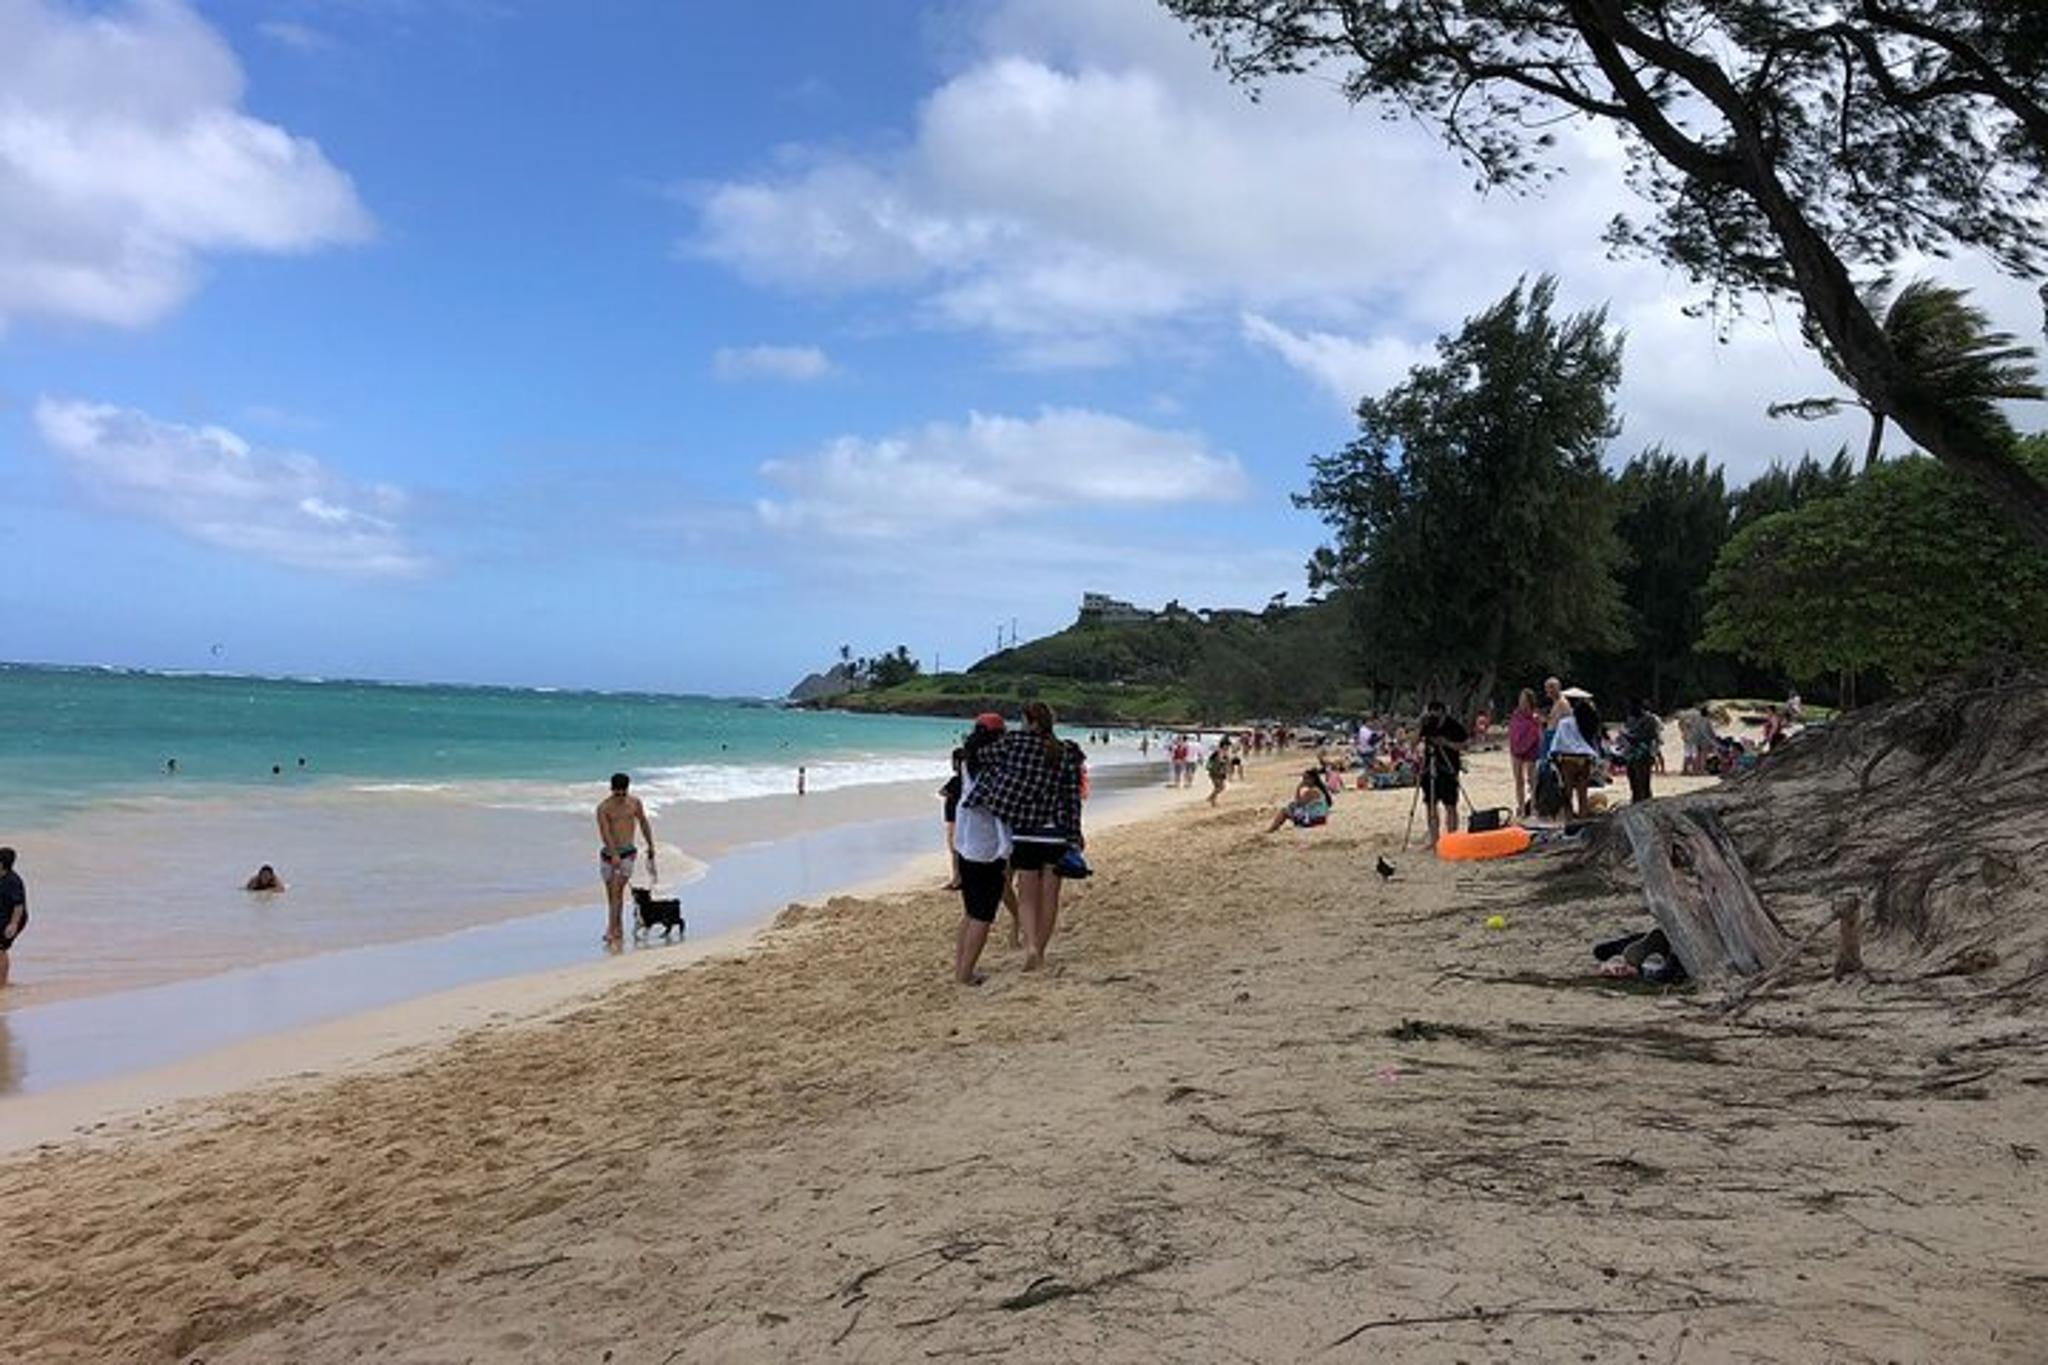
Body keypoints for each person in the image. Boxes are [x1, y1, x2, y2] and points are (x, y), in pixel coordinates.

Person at [959, 701, 1083, 971]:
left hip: (1026, 833)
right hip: (1057, 834)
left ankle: (1030, 946)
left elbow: (981, 756)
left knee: (1026, 896)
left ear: (1031, 722)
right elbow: (1072, 798)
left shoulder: (1015, 743)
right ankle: (1041, 951)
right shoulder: (1066, 751)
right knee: (1050, 897)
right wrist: (1075, 834)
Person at [951, 718, 1012, 984]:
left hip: (965, 844)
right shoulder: (996, 767)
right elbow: (1001, 812)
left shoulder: (967, 761)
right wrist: (1006, 850)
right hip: (988, 849)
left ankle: (960, 969)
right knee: (983, 916)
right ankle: (965, 974)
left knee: (970, 912)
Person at [595, 772, 656, 952]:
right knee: (612, 896)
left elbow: (644, 823)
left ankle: (610, 930)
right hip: (608, 855)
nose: (620, 796)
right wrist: (613, 854)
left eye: (623, 792)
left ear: (627, 789)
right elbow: (605, 833)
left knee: (617, 891)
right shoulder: (603, 808)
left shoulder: (634, 803)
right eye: (617, 793)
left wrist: (650, 845)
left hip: (628, 853)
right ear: (612, 789)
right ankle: (618, 929)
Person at [1417, 700, 1468, 843]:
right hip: (1429, 768)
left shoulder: (1453, 725)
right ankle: (1435, 839)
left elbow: (1464, 744)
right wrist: (1420, 724)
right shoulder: (1427, 724)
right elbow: (1413, 742)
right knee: (1430, 804)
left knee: (1450, 804)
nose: (1434, 718)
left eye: (1436, 715)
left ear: (1443, 712)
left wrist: (1446, 743)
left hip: (1448, 768)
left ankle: (1452, 838)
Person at [1550, 690, 1603, 818]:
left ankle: (1569, 819)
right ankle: (1582, 817)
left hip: (1567, 760)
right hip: (1585, 760)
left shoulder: (1565, 723)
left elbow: (1557, 744)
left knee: (1567, 793)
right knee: (1582, 793)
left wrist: (1552, 759)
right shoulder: (1587, 724)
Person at [1508, 688, 1542, 816]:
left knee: (1532, 780)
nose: (1521, 702)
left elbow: (1538, 733)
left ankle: (1533, 807)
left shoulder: (1535, 715)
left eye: (1524, 700)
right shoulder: (1516, 714)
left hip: (1532, 748)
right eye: (1520, 699)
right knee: (1518, 780)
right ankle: (1521, 807)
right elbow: (1513, 731)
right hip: (1516, 749)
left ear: (1530, 701)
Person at [1264, 770, 1333, 832]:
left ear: (1312, 779)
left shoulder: (1313, 791)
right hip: (1320, 818)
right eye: (1303, 778)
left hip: (1315, 820)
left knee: (1284, 811)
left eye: (1305, 778)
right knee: (1290, 808)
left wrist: (1298, 788)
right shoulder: (1317, 790)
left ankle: (1271, 829)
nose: (1303, 781)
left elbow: (1298, 803)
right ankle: (1273, 828)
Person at [1621, 699, 1661, 803]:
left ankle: (1644, 801)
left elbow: (1651, 735)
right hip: (1631, 753)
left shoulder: (1649, 719)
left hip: (1644, 753)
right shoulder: (1630, 719)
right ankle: (1636, 799)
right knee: (1633, 780)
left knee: (1643, 781)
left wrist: (1632, 737)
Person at [940, 748, 965, 890]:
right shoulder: (968, 780)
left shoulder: (955, 780)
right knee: (959, 848)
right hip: (961, 818)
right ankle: (960, 877)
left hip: (953, 818)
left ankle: (957, 879)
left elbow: (943, 792)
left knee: (954, 849)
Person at [0, 848, 24, 989]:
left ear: (2, 864)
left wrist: (13, 924)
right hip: (2, 915)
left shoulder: (13, 882)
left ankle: (2, 984)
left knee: (1, 949)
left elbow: (18, 906)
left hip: (13, 918)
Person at [1205, 741, 1230, 805]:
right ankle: (1211, 798)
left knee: (1220, 787)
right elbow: (1220, 761)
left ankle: (1212, 800)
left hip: (1219, 772)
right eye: (1227, 746)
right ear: (1224, 746)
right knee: (1220, 787)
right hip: (1216, 772)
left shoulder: (1223, 752)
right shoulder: (1219, 752)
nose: (1228, 747)